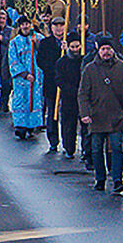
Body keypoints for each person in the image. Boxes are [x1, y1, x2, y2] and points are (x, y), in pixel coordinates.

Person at [78, 37, 123, 193]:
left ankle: (117, 179)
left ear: (113, 50)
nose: (106, 52)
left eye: (109, 49)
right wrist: (85, 113)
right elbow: (83, 94)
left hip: (116, 115)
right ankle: (100, 178)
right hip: (96, 116)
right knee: (96, 149)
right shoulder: (90, 69)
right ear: (98, 50)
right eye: (103, 49)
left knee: (117, 148)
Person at [8, 15, 44, 140]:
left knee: (34, 101)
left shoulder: (38, 38)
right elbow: (13, 60)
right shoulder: (14, 42)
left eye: (27, 24)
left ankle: (32, 126)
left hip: (36, 77)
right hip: (21, 79)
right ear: (20, 26)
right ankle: (20, 126)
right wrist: (24, 74)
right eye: (23, 24)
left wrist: (37, 44)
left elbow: (45, 53)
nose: (25, 26)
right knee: (21, 101)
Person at [55, 31, 87, 161]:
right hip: (69, 98)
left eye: (77, 46)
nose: (75, 49)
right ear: (68, 47)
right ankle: (69, 148)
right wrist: (70, 90)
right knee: (69, 125)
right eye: (72, 47)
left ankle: (86, 150)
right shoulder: (62, 62)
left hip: (83, 97)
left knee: (85, 125)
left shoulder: (84, 61)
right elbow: (59, 79)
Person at [38, 16, 66, 151]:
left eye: (61, 25)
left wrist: (67, 51)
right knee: (52, 112)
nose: (59, 28)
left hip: (67, 82)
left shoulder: (69, 41)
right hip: (51, 81)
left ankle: (68, 141)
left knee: (67, 113)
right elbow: (40, 61)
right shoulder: (45, 43)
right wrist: (53, 69)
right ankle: (53, 140)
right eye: (56, 26)